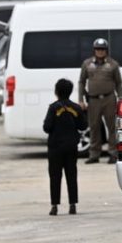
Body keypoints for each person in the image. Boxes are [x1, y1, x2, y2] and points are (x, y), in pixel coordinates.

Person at [44, 78, 87, 216]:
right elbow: (83, 126)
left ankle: (54, 206)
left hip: (55, 147)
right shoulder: (76, 108)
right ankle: (72, 204)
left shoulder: (53, 107)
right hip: (71, 146)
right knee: (71, 175)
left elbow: (47, 127)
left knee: (55, 176)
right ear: (70, 92)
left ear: (56, 92)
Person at [77, 37, 122, 164]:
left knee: (112, 127)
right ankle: (94, 154)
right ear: (94, 50)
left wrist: (120, 98)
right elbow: (81, 82)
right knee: (94, 127)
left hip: (109, 99)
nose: (100, 51)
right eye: (98, 49)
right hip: (93, 100)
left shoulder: (113, 64)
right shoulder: (87, 64)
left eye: (102, 49)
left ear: (106, 50)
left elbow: (118, 83)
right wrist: (81, 100)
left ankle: (113, 153)